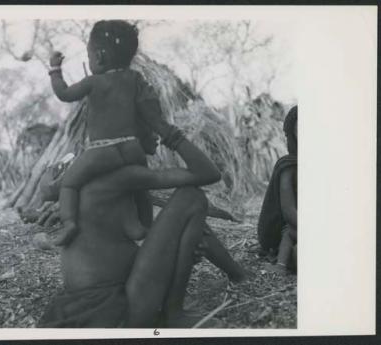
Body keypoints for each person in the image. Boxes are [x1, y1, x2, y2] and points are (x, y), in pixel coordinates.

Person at [37, 123, 250, 328]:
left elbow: (136, 235)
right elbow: (208, 173)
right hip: (116, 308)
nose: (157, 135)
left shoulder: (95, 180)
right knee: (191, 197)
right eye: (150, 126)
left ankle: (238, 275)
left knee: (185, 219)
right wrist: (170, 132)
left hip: (92, 304)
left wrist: (182, 244)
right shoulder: (124, 175)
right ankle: (174, 315)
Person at [48, 20, 173, 246]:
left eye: (89, 54)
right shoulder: (135, 79)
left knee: (69, 184)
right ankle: (143, 225)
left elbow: (64, 94)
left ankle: (69, 224)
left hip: (101, 151)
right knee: (140, 188)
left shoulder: (94, 82)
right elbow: (149, 109)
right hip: (132, 148)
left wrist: (55, 71)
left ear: (100, 57)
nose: (89, 59)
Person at [257, 106, 297, 274]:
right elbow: (289, 213)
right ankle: (281, 266)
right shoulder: (288, 166)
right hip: (298, 225)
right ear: (293, 134)